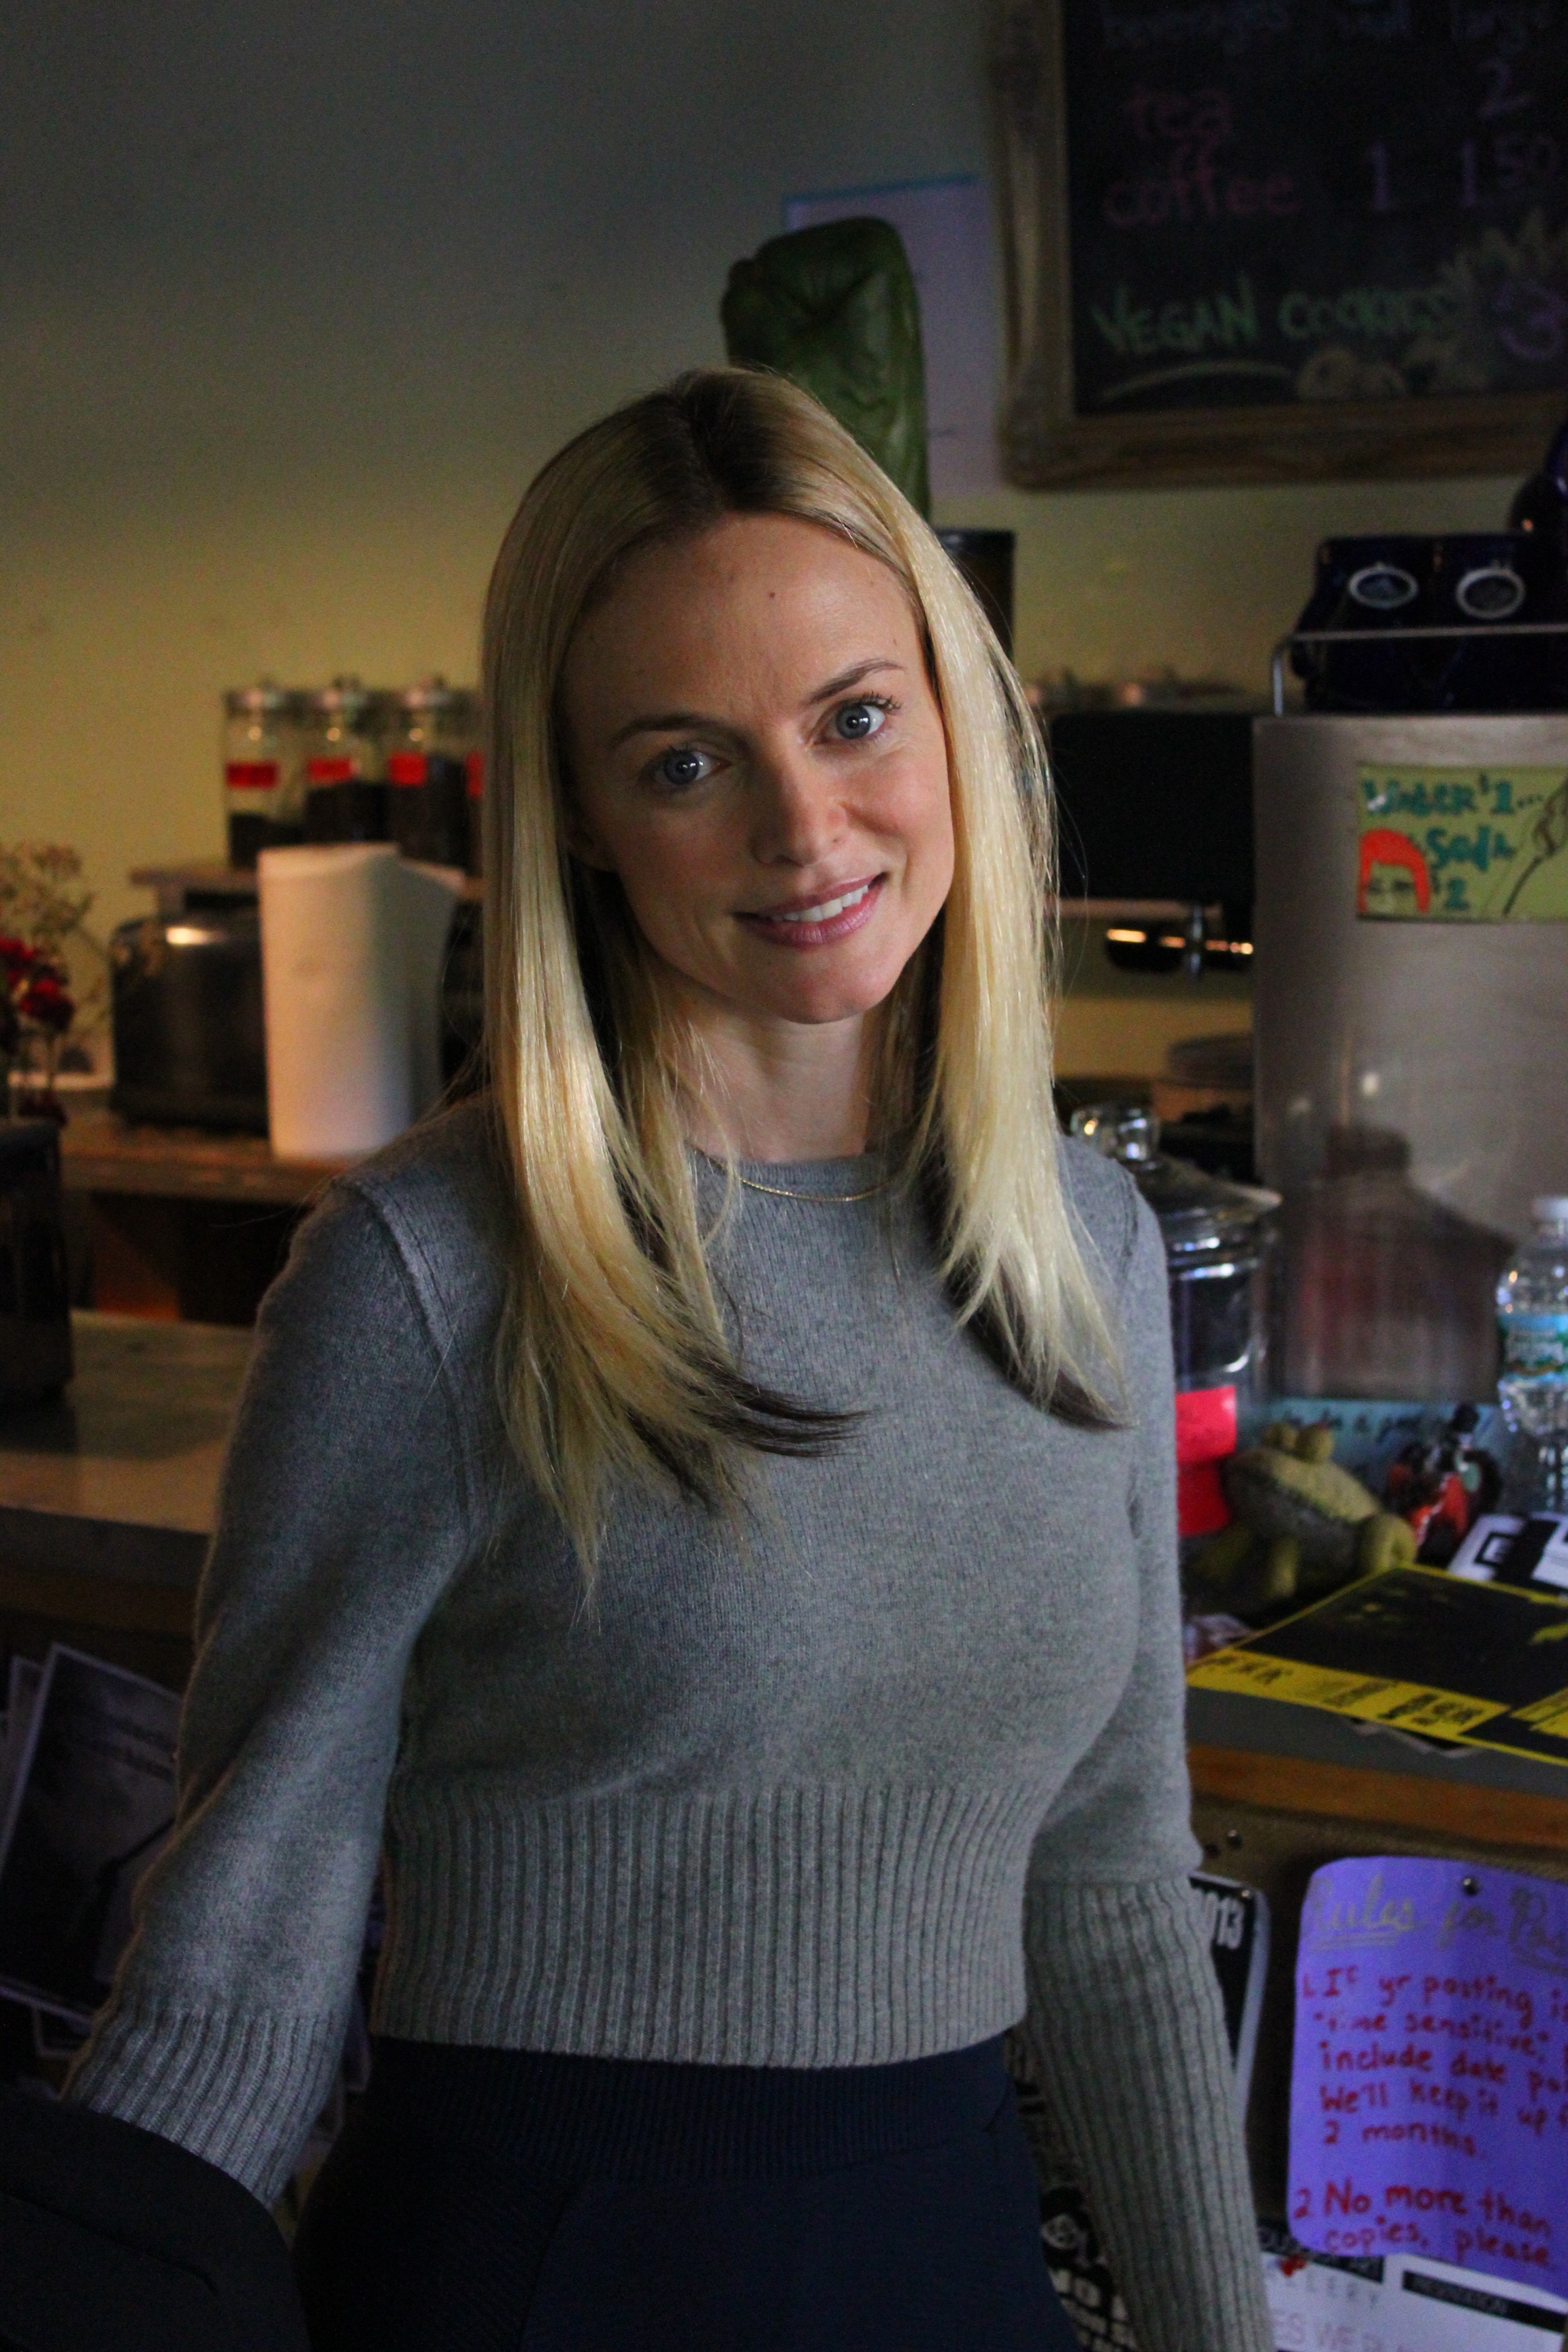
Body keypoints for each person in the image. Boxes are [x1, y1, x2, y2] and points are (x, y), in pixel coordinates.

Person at [64, 368, 1272, 2351]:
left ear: (964, 722)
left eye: (858, 718)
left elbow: (1116, 1881)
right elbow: (253, 1922)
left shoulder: (1091, 1249)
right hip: (550, 2273)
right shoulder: (434, 1269)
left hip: (956, 2259)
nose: (810, 827)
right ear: (585, 822)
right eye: (688, 761)